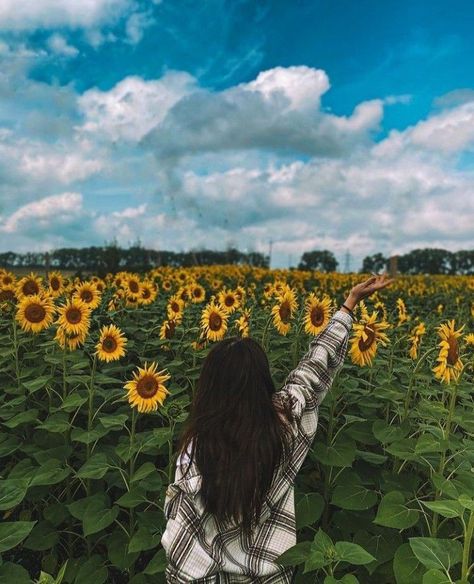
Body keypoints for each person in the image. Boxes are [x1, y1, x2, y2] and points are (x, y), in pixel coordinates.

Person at [161, 274, 395, 583]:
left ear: (209, 388)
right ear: (263, 382)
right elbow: (312, 369)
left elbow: (184, 547)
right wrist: (348, 305)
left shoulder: (197, 452)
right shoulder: (284, 425)